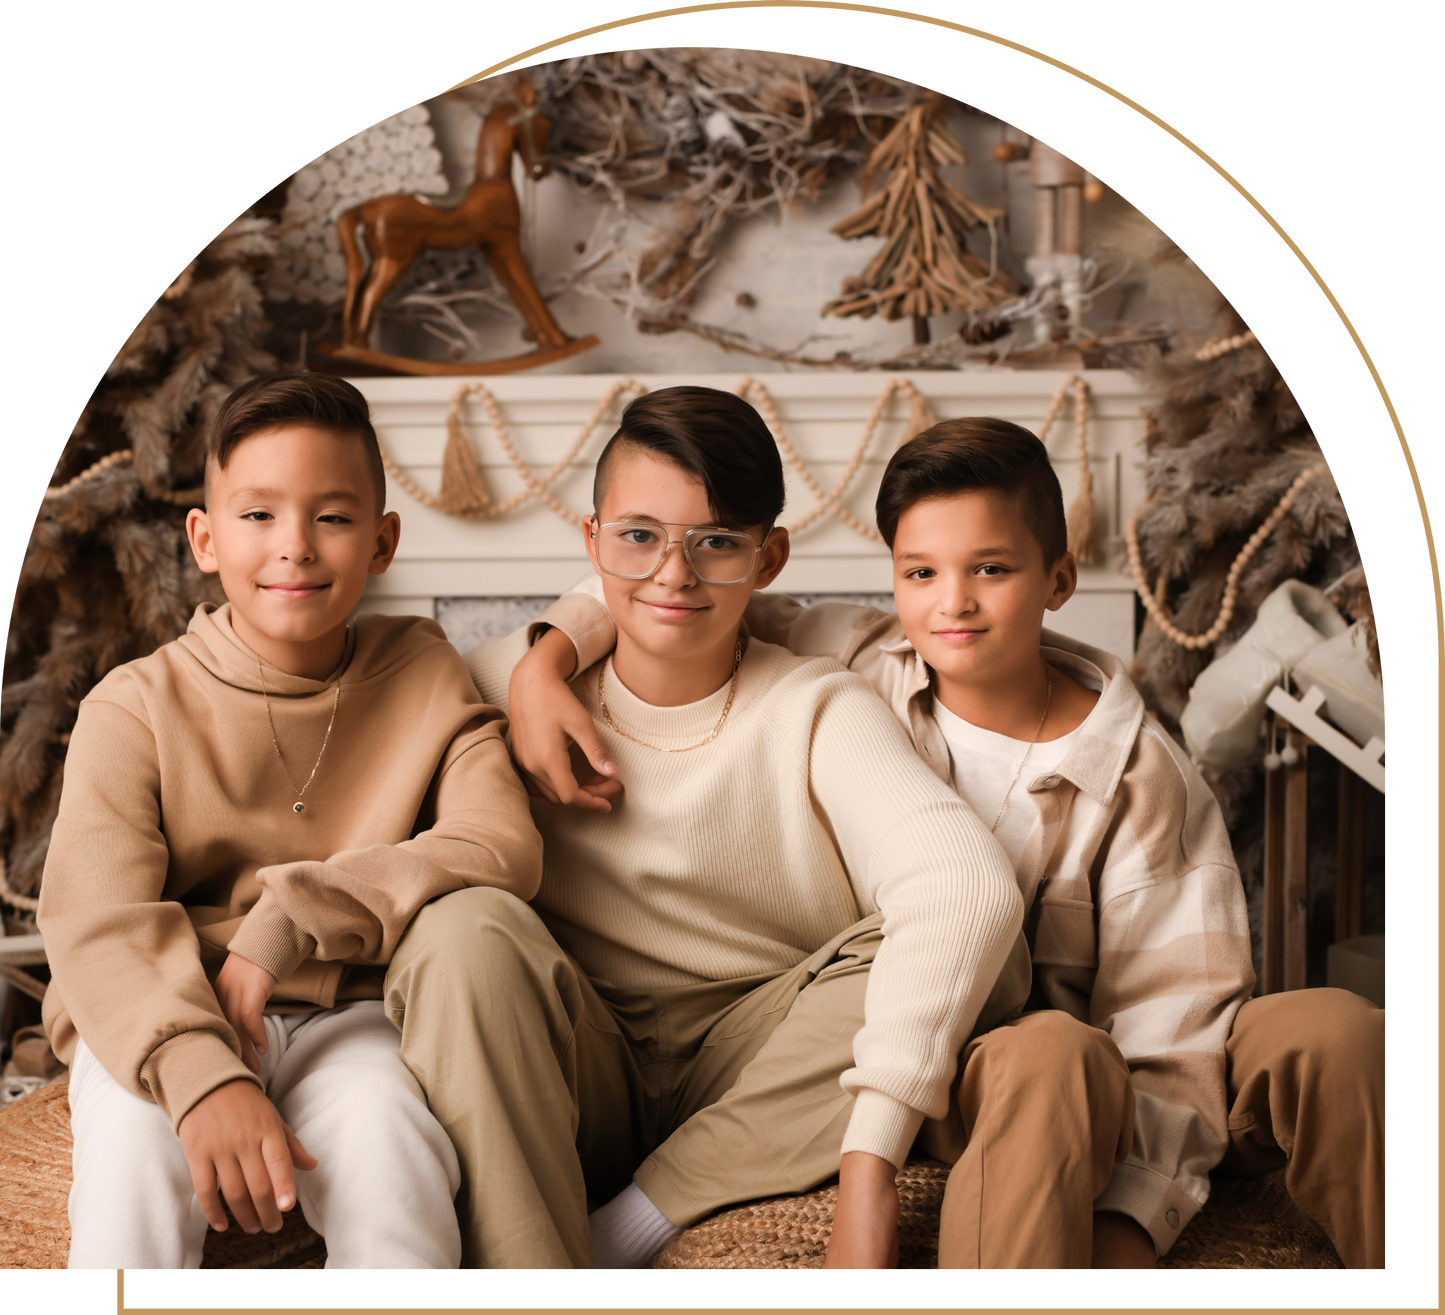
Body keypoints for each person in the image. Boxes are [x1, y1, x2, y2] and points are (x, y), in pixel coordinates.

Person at [513, 416, 1388, 1272]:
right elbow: (678, 581)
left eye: (991, 569)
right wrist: (541, 664)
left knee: (1342, 1031)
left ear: (1057, 578)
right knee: (1049, 1049)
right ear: (893, 579)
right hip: (966, 1056)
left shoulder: (1138, 771)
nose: (953, 602)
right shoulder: (858, 662)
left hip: (1124, 1078)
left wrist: (1131, 1218)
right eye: (920, 571)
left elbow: (1171, 1031)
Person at [383, 386, 1029, 1273]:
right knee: (457, 931)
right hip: (576, 1048)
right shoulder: (497, 682)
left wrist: (869, 1165)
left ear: (769, 558)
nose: (673, 576)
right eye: (638, 537)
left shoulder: (814, 703)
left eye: (716, 542)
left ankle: (630, 1227)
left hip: (763, 1053)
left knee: (984, 954)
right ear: (590, 542)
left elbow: (968, 887)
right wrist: (542, 663)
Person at [37, 372, 543, 1272]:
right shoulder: (136, 705)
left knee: (396, 1160)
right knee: (129, 1185)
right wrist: (201, 1077)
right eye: (258, 515)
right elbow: (95, 924)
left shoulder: (423, 669)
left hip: (347, 1013)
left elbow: (499, 841)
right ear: (203, 537)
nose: (296, 548)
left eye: (334, 517)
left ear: (384, 541)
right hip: (161, 1012)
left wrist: (289, 921)